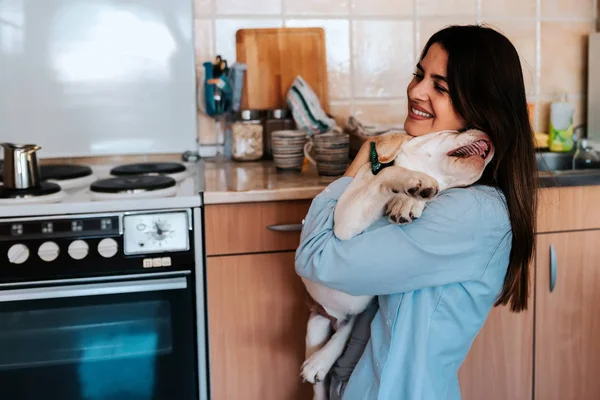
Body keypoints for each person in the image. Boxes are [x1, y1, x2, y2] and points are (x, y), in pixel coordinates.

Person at [295, 24, 538, 400]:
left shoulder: (470, 214)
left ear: (481, 107)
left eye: (440, 87)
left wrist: (368, 156)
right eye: (418, 75)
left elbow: (317, 258)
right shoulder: (437, 191)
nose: (416, 91)